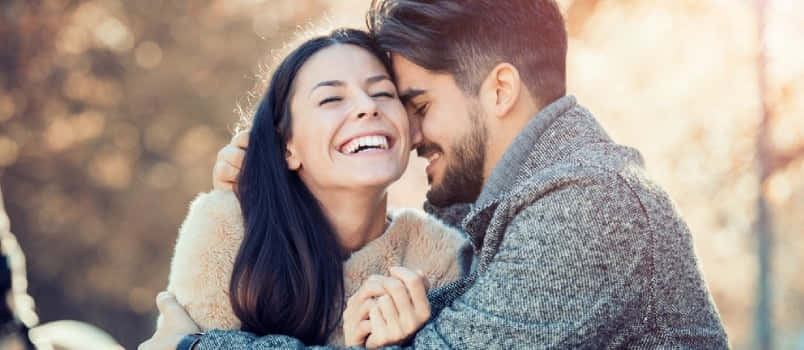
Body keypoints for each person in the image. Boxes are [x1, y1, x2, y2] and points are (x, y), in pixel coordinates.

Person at [144, 0, 730, 348]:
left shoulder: (590, 206)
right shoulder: (523, 207)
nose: (411, 130)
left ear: (500, 89)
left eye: (416, 104)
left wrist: (195, 343)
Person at [145, 28, 470, 350]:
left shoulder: (441, 259)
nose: (367, 107)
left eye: (383, 93)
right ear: (287, 148)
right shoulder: (227, 230)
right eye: (331, 98)